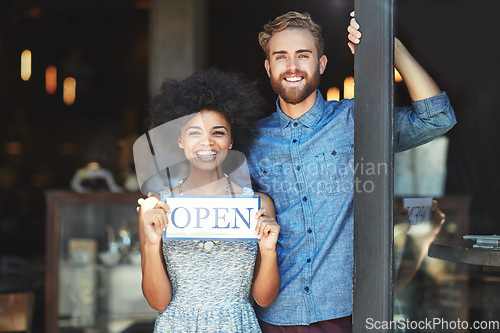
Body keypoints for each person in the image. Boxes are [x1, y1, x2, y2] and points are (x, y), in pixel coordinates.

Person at [246, 11, 456, 332]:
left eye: (303, 56)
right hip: (275, 314)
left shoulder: (356, 119)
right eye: (281, 57)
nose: (292, 66)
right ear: (268, 67)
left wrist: (391, 48)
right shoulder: (252, 140)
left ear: (322, 64)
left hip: (346, 311)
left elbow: (437, 118)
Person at [137, 69, 281, 332]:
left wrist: (268, 250)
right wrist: (151, 243)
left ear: (231, 139)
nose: (207, 143)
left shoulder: (257, 205)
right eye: (194, 132)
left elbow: (264, 298)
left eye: (218, 132)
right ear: (179, 140)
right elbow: (158, 302)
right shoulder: (158, 206)